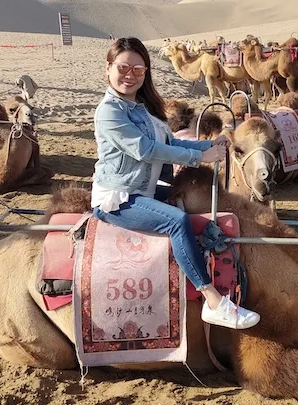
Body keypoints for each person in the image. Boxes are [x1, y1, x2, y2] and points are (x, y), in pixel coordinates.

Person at [91, 37, 260, 330]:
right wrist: (200, 157)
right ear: (108, 69)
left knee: (192, 198)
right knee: (177, 221)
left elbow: (169, 141)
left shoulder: (140, 107)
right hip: (118, 197)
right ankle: (213, 301)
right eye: (123, 67)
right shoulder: (110, 111)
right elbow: (144, 149)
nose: (130, 74)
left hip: (143, 187)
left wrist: (208, 146)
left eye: (138, 69)